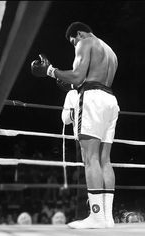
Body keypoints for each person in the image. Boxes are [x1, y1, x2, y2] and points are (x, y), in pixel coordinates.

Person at [31, 22, 119, 229]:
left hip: (93, 100)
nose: (74, 46)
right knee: (105, 160)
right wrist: (71, 82)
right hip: (110, 100)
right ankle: (107, 217)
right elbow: (85, 78)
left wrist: (51, 71)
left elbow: (78, 76)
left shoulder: (85, 42)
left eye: (73, 42)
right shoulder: (110, 52)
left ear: (78, 34)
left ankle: (96, 216)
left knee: (90, 159)